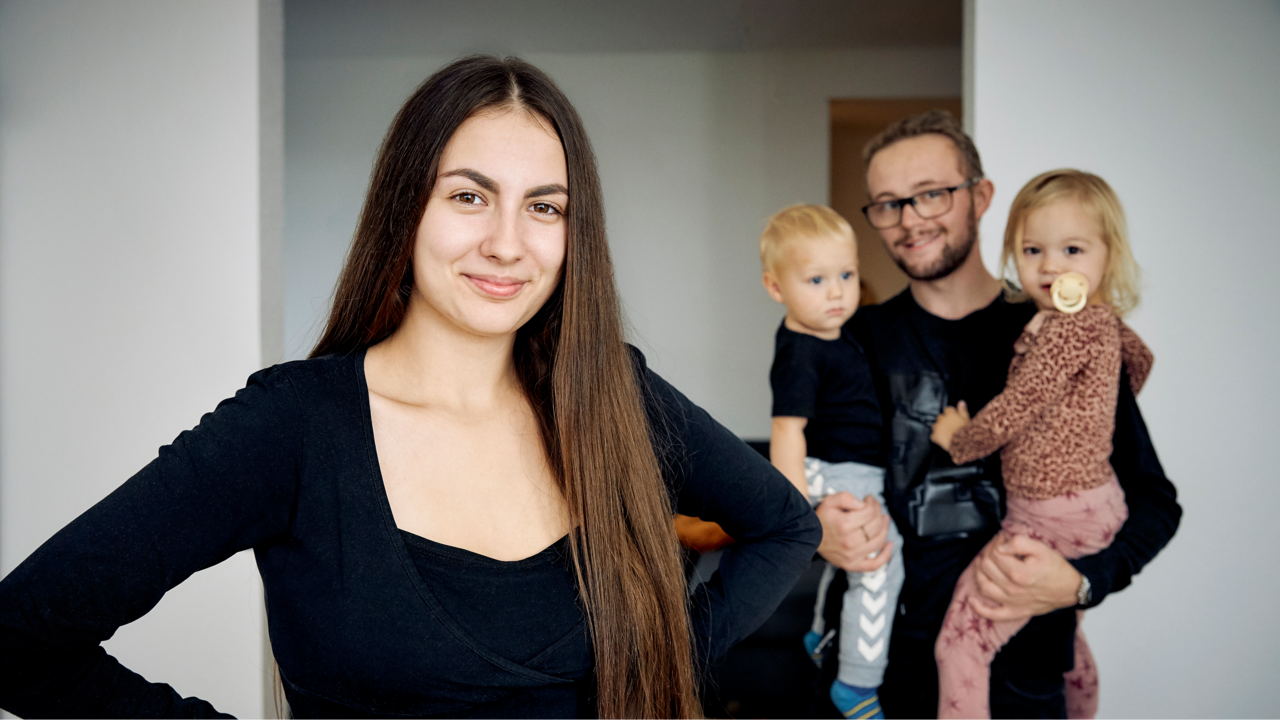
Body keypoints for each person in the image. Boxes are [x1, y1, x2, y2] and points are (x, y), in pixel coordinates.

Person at [0, 55, 821, 719]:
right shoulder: (294, 426)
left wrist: (658, 663)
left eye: (544, 208)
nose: (507, 244)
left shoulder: (615, 400)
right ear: (406, 208)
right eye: (469, 196)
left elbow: (785, 524)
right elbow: (19, 641)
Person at [810, 111, 1180, 718]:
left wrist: (1083, 580)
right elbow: (807, 485)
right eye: (888, 204)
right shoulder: (853, 340)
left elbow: (1154, 500)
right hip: (877, 679)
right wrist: (818, 528)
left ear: (981, 197)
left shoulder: (1062, 331)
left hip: (1021, 679)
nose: (910, 219)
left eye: (931, 193)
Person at [929, 169, 1154, 718]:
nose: (1051, 266)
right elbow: (1141, 361)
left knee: (960, 645)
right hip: (1097, 506)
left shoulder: (1063, 331)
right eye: (1033, 250)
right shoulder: (1103, 323)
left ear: (1108, 256)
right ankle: (1082, 707)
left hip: (1049, 516)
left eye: (1072, 250)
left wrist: (959, 439)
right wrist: (1088, 409)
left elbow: (1015, 408)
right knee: (1064, 628)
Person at [759, 204, 901, 719]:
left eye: (846, 275)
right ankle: (857, 684)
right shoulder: (801, 351)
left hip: (853, 469)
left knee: (853, 563)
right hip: (833, 470)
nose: (837, 292)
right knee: (881, 562)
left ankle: (820, 633)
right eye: (816, 280)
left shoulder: (837, 335)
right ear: (776, 288)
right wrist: (798, 511)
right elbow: (786, 431)